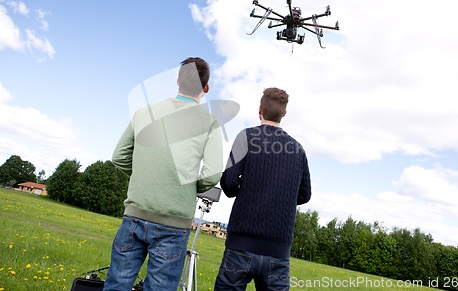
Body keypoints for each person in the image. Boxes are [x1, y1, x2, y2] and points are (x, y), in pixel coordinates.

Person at [104, 57, 223, 291]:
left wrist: (143, 175)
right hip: (174, 224)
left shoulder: (142, 112)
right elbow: (212, 174)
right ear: (206, 88)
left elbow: (119, 156)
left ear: (177, 81)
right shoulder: (209, 122)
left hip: (134, 214)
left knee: (117, 284)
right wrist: (185, 186)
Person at [214, 87, 311, 291]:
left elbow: (229, 183)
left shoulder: (246, 137)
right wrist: (279, 194)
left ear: (260, 109)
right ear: (284, 114)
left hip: (240, 246)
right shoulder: (298, 149)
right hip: (278, 251)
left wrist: (250, 189)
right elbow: (304, 194)